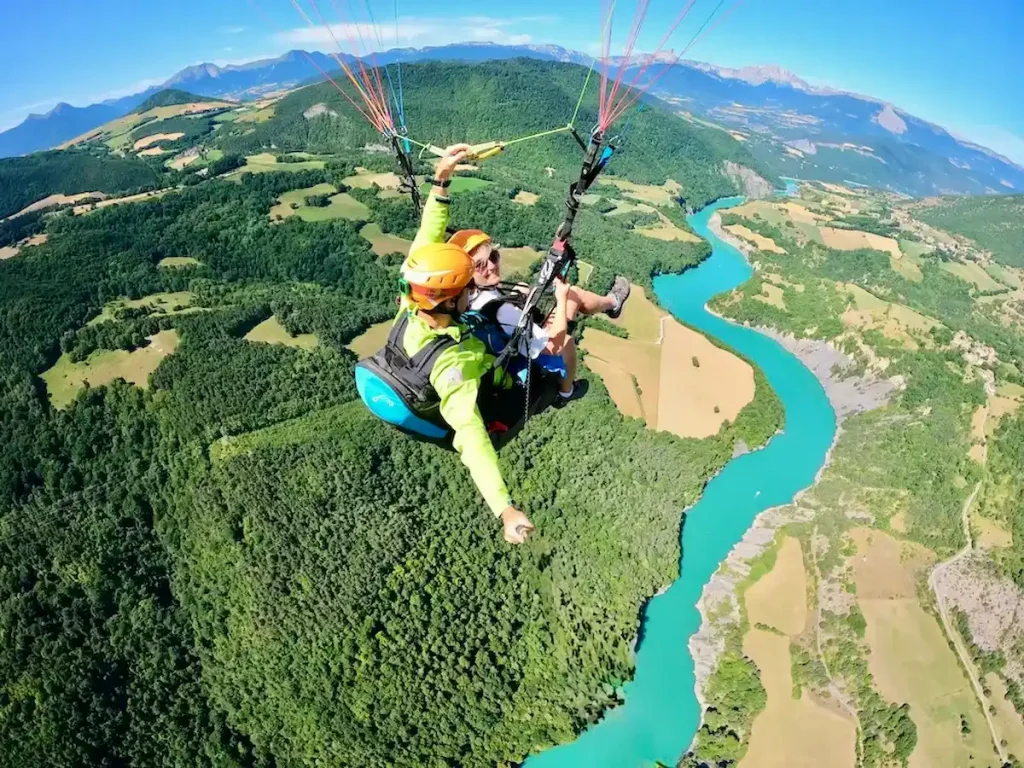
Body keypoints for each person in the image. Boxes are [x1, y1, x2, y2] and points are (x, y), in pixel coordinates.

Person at [394, 144, 545, 544]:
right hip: (480, 388)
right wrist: (505, 508)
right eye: (466, 285)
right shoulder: (452, 363)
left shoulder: (412, 300)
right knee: (541, 380)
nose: (470, 289)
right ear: (452, 297)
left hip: (425, 363)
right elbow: (471, 436)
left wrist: (441, 180)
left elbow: (427, 240)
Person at [447, 231, 632, 399]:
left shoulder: (460, 300)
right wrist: (561, 299)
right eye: (480, 265)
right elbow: (553, 347)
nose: (492, 266)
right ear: (467, 273)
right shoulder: (501, 310)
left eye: (493, 257)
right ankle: (566, 392)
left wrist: (516, 295)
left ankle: (612, 303)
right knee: (571, 307)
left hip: (502, 346)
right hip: (525, 362)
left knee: (523, 287)